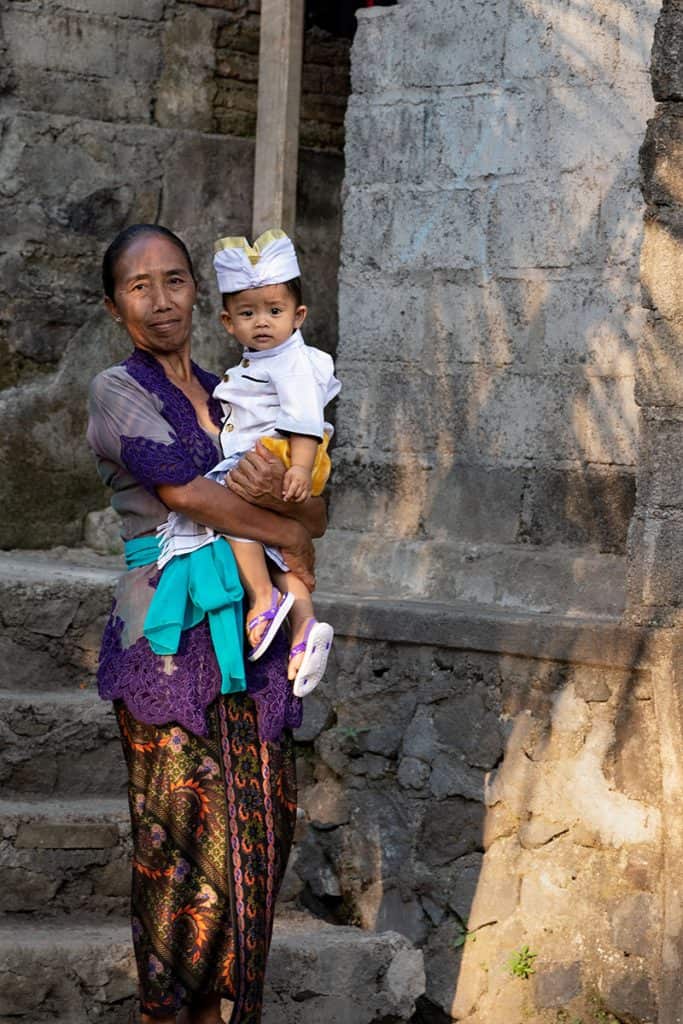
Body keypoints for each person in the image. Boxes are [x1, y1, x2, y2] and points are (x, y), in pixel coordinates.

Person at [87, 223, 326, 1024]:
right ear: (116, 302)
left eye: (176, 281)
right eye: (139, 286)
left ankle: (232, 1011)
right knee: (179, 844)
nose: (161, 301)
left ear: (200, 293)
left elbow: (312, 501)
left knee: (260, 831)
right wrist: (282, 530)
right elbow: (187, 493)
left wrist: (288, 495)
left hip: (253, 640)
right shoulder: (116, 391)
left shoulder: (245, 385)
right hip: (167, 641)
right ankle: (168, 1013)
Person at [158, 230, 339, 698]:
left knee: (228, 504)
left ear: (298, 316)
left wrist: (298, 469)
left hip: (282, 454)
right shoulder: (255, 362)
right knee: (274, 547)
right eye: (248, 313)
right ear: (227, 322)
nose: (262, 322)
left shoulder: (292, 362)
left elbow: (305, 419)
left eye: (274, 312)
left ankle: (262, 597)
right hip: (274, 457)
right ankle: (304, 627)